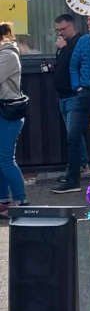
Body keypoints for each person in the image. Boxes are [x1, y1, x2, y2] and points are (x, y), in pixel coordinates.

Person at [51, 13, 90, 194]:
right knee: (73, 135)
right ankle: (73, 179)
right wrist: (77, 85)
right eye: (88, 19)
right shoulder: (83, 41)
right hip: (84, 92)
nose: (88, 22)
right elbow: (74, 65)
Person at [54, 14, 89, 181]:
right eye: (58, 30)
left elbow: (75, 62)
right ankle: (79, 166)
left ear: (72, 26)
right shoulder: (65, 45)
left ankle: (79, 166)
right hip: (63, 95)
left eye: (63, 29)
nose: (60, 33)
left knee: (73, 134)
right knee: (72, 134)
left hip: (74, 95)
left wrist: (63, 48)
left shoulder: (80, 42)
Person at [0, 22, 27, 218]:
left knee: (6, 159)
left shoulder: (8, 56)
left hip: (8, 112)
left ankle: (21, 200)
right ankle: (3, 200)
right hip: (2, 111)